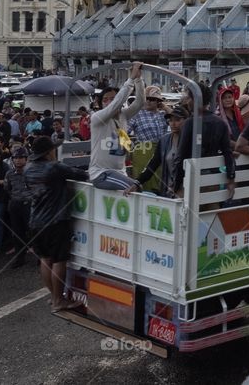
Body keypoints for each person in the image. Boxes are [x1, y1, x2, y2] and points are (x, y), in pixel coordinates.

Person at [24, 135, 89, 312]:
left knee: (45, 259)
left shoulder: (27, 168)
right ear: (48, 152)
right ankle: (58, 301)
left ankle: (54, 297)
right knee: (59, 260)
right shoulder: (54, 167)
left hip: (35, 221)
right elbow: (82, 175)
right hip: (55, 221)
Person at [88, 62, 146, 192]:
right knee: (136, 188)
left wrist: (138, 79)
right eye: (106, 99)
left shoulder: (123, 116)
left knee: (138, 187)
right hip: (102, 174)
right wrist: (130, 79)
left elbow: (140, 102)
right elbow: (116, 104)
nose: (109, 102)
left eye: (113, 99)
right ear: (100, 103)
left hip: (120, 173)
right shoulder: (98, 118)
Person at [171, 84, 236, 197]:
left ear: (195, 99)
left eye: (189, 98)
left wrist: (175, 185)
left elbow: (180, 157)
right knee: (210, 212)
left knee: (189, 213)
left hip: (191, 181)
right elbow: (227, 152)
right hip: (213, 180)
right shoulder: (220, 123)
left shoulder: (189, 123)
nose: (187, 102)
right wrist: (230, 178)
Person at [135, 105, 188, 198]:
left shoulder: (191, 140)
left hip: (187, 190)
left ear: (186, 121)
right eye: (170, 120)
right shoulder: (164, 140)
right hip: (168, 189)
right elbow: (153, 164)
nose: (173, 123)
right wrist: (137, 183)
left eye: (177, 120)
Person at [5, 147, 31, 267]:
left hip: (29, 204)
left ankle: (41, 257)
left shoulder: (31, 172)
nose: (18, 160)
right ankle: (20, 257)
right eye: (16, 158)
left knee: (33, 231)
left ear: (26, 159)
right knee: (17, 232)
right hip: (15, 204)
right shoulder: (10, 173)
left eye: (21, 158)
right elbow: (7, 189)